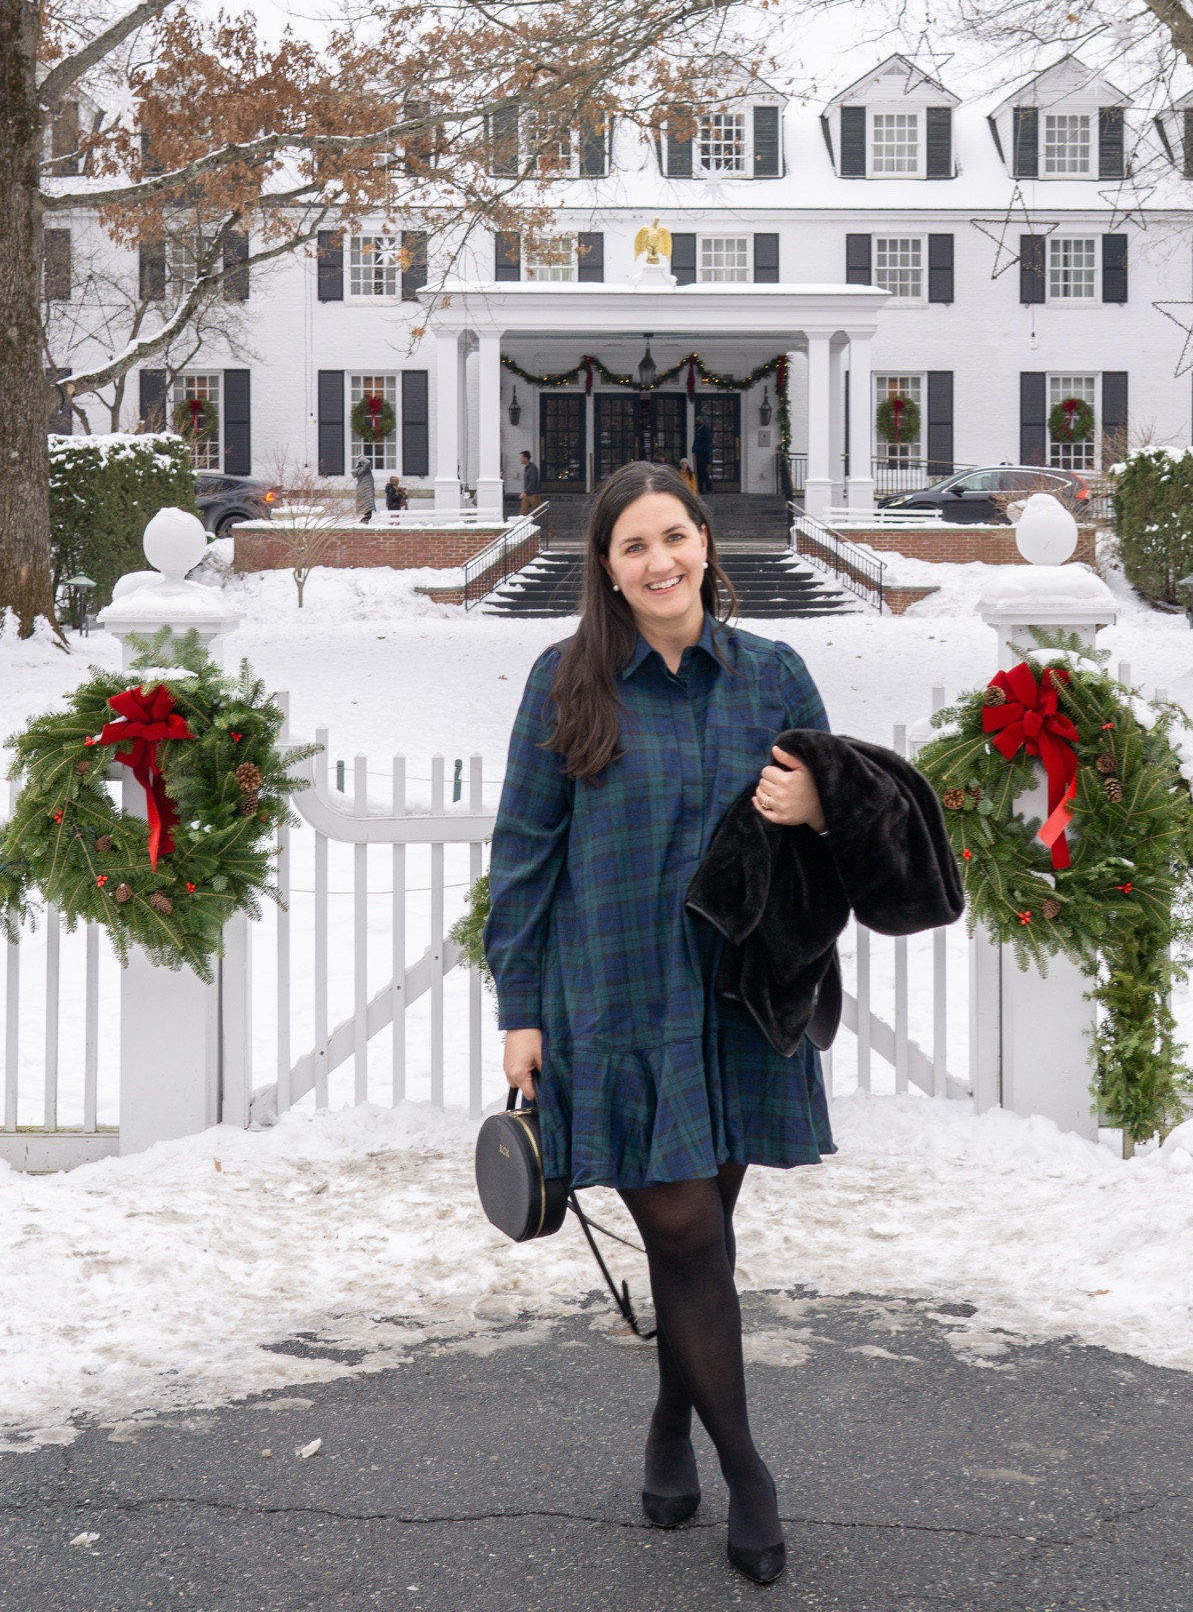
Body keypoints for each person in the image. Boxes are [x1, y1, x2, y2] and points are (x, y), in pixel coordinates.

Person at [485, 462, 831, 1587]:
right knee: (683, 1231)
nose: (660, 560)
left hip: (739, 997)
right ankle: (750, 1471)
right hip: (620, 997)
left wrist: (817, 802)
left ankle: (671, 1422)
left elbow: (854, 831)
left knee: (707, 1238)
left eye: (673, 535)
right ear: (607, 567)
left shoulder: (771, 674)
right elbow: (525, 853)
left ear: (704, 543)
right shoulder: (566, 681)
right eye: (634, 546)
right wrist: (521, 1010)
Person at [691, 415, 713, 493]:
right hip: (698, 453)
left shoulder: (705, 430)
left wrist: (698, 449)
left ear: (702, 422)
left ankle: (708, 487)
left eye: (697, 421)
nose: (696, 423)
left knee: (703, 471)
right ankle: (700, 488)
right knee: (699, 471)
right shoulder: (698, 430)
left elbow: (705, 443)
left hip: (703, 454)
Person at [352, 455, 375, 523]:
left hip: (362, 489)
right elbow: (368, 462)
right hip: (366, 490)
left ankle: (365, 519)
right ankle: (365, 520)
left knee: (366, 507)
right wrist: (362, 459)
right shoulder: (364, 470)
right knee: (368, 507)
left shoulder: (358, 471)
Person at [518, 449, 541, 516]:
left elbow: (532, 481)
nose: (520, 459)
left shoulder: (533, 468)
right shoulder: (526, 468)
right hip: (527, 495)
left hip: (533, 495)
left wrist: (525, 492)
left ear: (526, 458)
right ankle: (520, 526)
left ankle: (550, 526)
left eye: (521, 457)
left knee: (541, 512)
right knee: (522, 512)